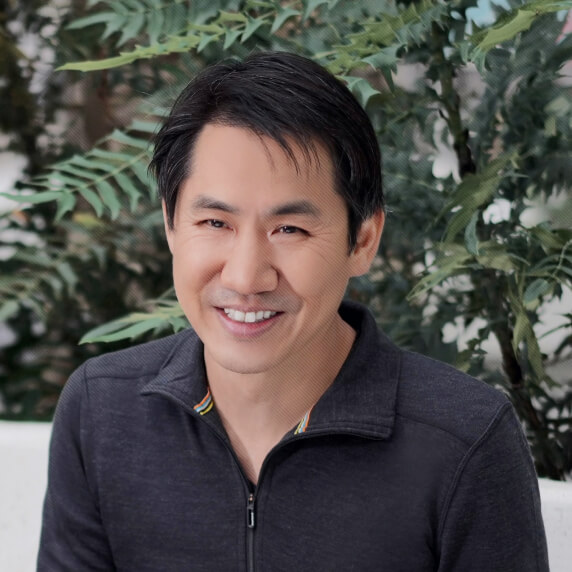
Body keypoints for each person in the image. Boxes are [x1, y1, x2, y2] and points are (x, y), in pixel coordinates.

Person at [37, 51, 549, 571]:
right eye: (215, 223)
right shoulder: (101, 411)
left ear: (363, 240)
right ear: (171, 224)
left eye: (290, 229)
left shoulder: (466, 440)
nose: (245, 278)